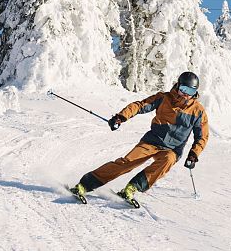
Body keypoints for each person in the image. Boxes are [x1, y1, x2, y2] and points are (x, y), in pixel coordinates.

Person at [69, 71, 209, 206]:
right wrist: (121, 117)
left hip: (172, 149)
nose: (185, 94)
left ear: (194, 93)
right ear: (178, 86)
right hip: (152, 141)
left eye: (190, 92)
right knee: (127, 162)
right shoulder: (163, 98)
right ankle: (84, 185)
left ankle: (131, 189)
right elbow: (140, 106)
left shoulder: (198, 111)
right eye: (183, 89)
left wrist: (193, 154)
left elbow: (202, 136)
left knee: (168, 160)